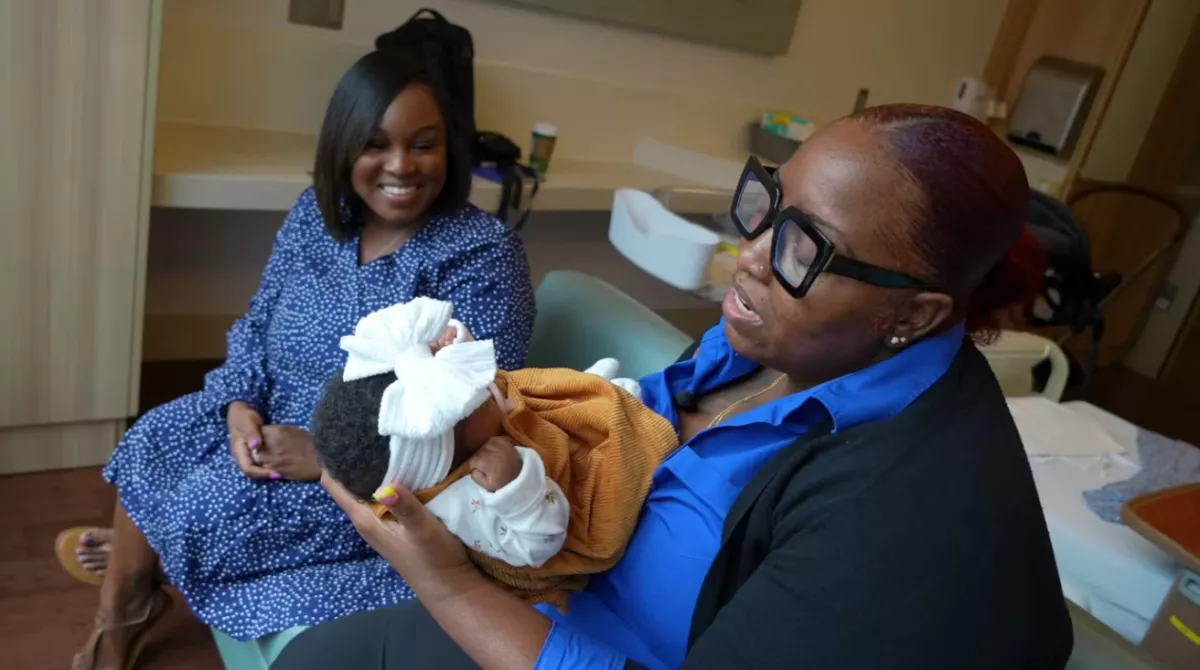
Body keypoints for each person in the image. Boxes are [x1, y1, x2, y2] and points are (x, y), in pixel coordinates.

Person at [274, 104, 1073, 670]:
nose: (751, 252)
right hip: (540, 609)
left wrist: (444, 581)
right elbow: (609, 431)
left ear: (912, 313)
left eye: (805, 248)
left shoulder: (901, 511)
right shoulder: (764, 343)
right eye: (767, 204)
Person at [60, 50, 536, 670]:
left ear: (451, 151)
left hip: (368, 475)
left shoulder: (482, 253)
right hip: (270, 417)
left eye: (424, 144)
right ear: (342, 148)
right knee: (153, 437)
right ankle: (134, 584)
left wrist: (323, 458)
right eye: (375, 144)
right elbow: (259, 319)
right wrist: (237, 405)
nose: (401, 166)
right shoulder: (317, 215)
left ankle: (125, 600)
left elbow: (476, 413)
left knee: (207, 506)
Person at [312, 297, 678, 608]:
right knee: (574, 445)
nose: (479, 388)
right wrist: (515, 489)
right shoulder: (464, 501)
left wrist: (444, 348)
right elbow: (537, 547)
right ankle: (611, 417)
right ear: (449, 454)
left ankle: (589, 396)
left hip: (524, 437)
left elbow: (466, 374)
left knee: (515, 391)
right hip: (554, 508)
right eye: (466, 403)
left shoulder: (454, 418)